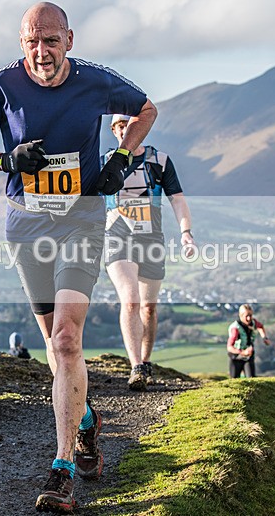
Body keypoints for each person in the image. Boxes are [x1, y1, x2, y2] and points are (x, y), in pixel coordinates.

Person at [0, 2, 157, 513]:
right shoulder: (2, 86)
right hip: (26, 224)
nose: (41, 52)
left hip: (81, 218)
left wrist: (122, 158)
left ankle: (62, 468)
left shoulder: (95, 81)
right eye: (31, 42)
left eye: (50, 40)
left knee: (67, 339)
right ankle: (85, 420)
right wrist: (5, 159)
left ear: (69, 39)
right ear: (21, 43)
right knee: (51, 344)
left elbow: (146, 110)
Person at [102, 114, 196, 391]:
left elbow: (176, 199)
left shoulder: (160, 161)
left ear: (141, 128)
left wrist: (186, 232)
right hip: (117, 238)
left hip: (151, 239)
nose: (124, 132)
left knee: (148, 307)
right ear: (114, 131)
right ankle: (136, 367)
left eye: (129, 126)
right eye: (119, 127)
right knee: (130, 300)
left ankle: (145, 361)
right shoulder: (105, 162)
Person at [225, 304, 272, 379]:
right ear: (240, 316)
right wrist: (242, 352)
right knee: (234, 379)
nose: (249, 318)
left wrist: (264, 338)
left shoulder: (253, 322)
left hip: (248, 355)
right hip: (236, 357)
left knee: (251, 378)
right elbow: (229, 347)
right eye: (246, 316)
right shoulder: (235, 329)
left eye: (250, 315)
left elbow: (260, 326)